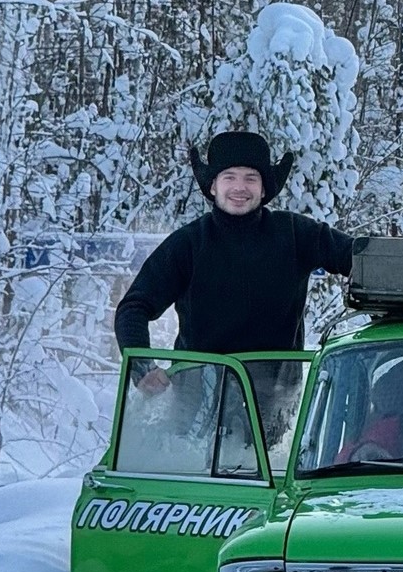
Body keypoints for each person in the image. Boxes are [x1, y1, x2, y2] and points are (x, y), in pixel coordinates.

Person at [115, 130, 354, 396]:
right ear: (213, 185)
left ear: (264, 188)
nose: (240, 187)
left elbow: (359, 257)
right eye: (229, 177)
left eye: (251, 178)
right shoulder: (189, 244)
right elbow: (133, 308)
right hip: (197, 411)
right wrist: (142, 369)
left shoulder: (296, 234)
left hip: (276, 408)